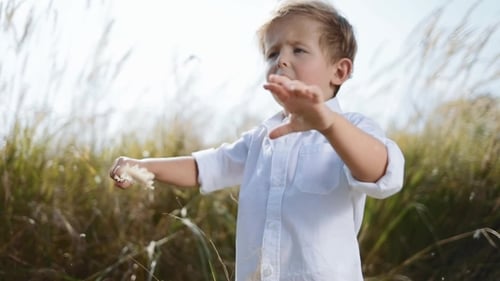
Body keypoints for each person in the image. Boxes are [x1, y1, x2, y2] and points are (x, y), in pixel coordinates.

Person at [109, 0, 405, 280]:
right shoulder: (261, 139)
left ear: (339, 71)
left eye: (298, 50)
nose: (282, 61)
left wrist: (328, 124)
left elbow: (382, 174)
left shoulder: (353, 129)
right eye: (273, 54)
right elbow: (206, 167)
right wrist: (143, 166)